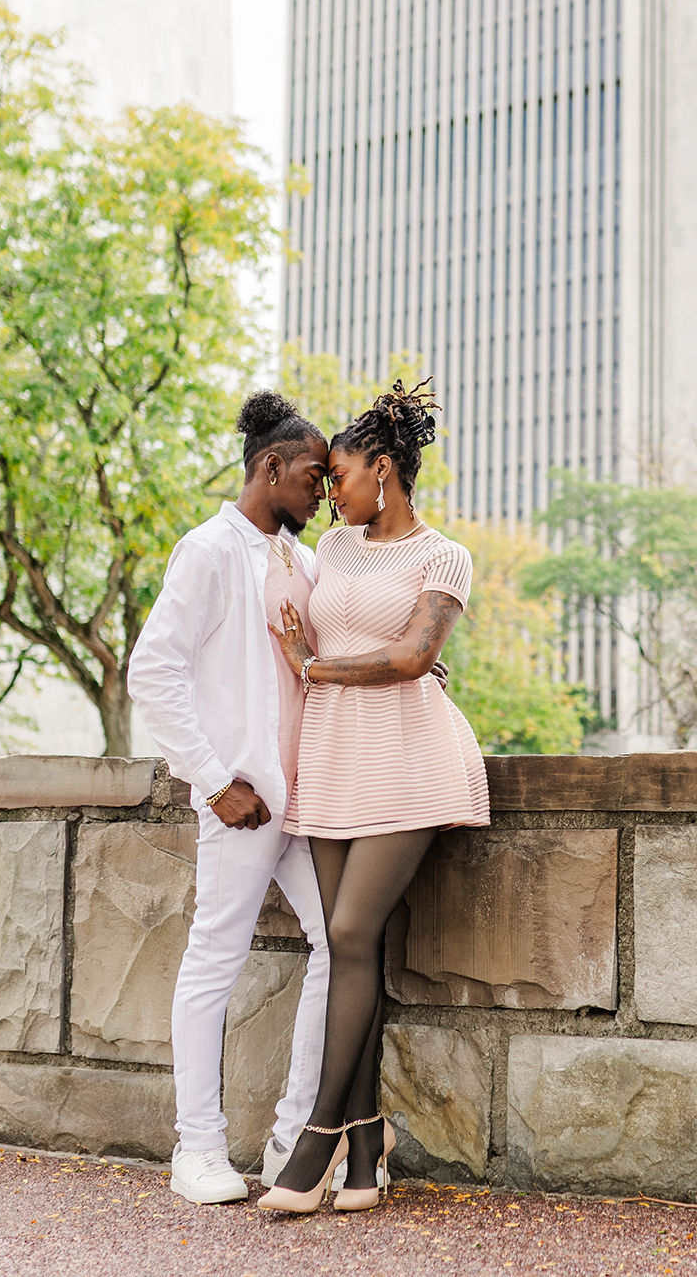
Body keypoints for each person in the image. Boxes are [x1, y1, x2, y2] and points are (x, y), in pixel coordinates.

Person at [258, 382, 490, 1215]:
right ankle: (366, 1147)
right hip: (332, 755)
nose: (331, 488)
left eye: (344, 474)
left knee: (352, 932)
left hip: (408, 758)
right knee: (347, 945)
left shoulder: (444, 557)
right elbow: (356, 633)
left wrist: (314, 667)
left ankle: (316, 1138)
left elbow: (409, 657)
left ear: (384, 471)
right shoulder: (339, 548)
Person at [126, 391, 337, 1206]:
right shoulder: (208, 549)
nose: (320, 492)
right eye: (313, 476)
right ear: (270, 466)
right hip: (243, 804)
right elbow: (155, 670)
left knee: (340, 947)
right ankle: (198, 1150)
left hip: (308, 803)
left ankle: (293, 1136)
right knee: (214, 963)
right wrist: (214, 781)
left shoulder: (301, 560)